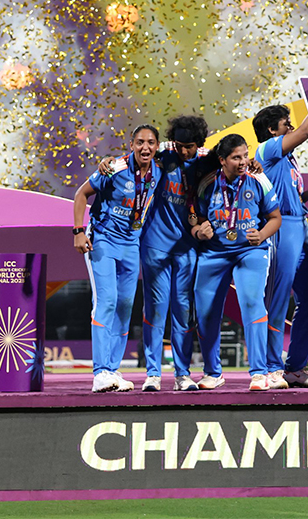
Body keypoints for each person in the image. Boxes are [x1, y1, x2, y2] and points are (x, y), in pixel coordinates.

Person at [73, 124, 165, 393]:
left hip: (131, 244)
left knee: (125, 307)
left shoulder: (159, 170)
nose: (145, 147)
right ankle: (100, 372)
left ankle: (112, 370)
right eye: (140, 142)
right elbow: (81, 194)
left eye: (150, 142)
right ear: (131, 144)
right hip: (102, 239)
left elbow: (189, 148)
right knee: (107, 301)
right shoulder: (114, 168)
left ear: (157, 146)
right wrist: (78, 231)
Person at [189, 133, 283, 390]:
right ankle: (212, 373)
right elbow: (195, 219)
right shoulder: (207, 183)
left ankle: (259, 373)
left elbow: (275, 217)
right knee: (205, 312)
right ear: (222, 160)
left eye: (245, 156)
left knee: (252, 303)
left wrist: (261, 235)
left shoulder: (258, 179)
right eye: (235, 158)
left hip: (250, 251)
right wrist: (200, 230)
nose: (242, 162)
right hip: (214, 253)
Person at [255, 88, 308, 389]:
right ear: (272, 130)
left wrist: (306, 196)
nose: (290, 126)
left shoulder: (288, 159)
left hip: (300, 224)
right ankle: (271, 367)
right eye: (285, 122)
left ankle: (294, 367)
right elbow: (305, 131)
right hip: (281, 228)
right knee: (277, 299)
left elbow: (284, 196)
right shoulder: (267, 150)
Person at [138, 114, 209, 391]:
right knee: (155, 309)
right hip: (155, 245)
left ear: (198, 144)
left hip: (187, 249)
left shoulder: (207, 162)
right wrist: (110, 161)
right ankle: (153, 374)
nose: (183, 151)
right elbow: (138, 154)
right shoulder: (165, 155)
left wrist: (253, 164)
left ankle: (182, 374)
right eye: (179, 145)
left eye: (188, 146)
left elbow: (233, 161)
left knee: (183, 311)